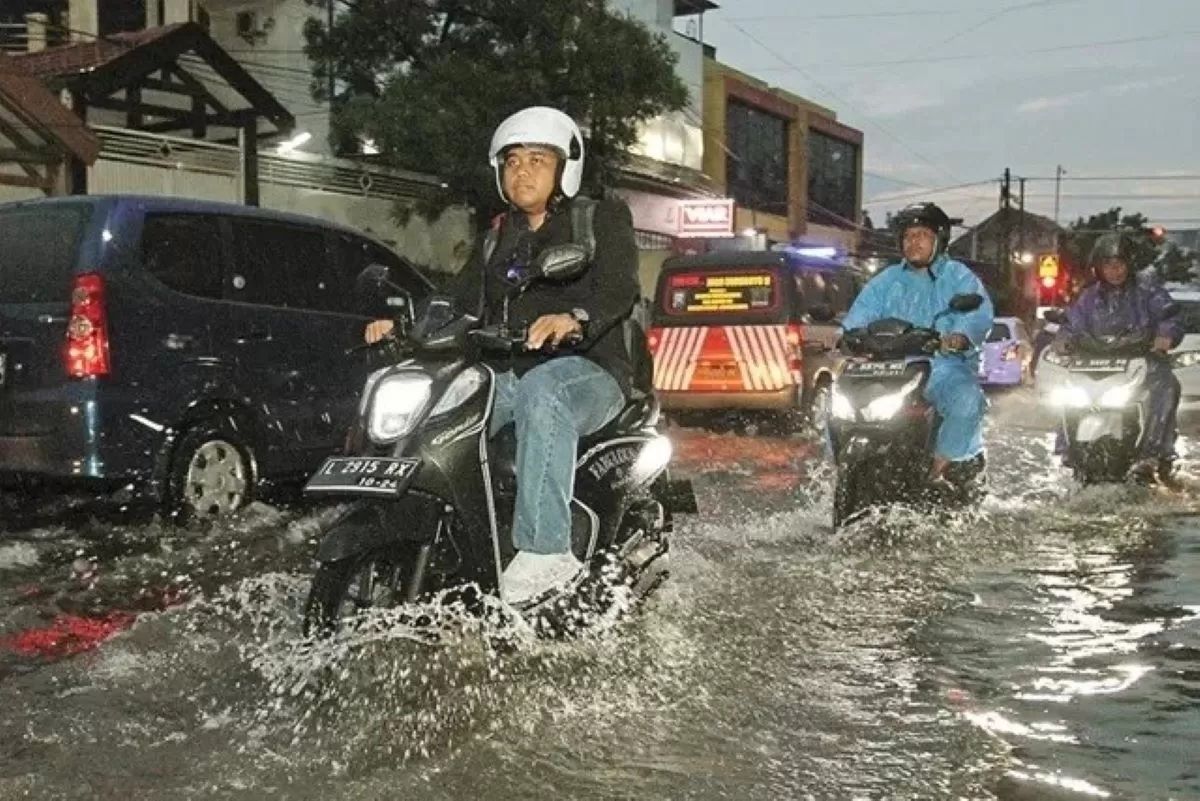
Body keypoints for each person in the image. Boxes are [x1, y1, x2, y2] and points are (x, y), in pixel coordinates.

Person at [364, 106, 641, 604]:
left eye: (537, 159)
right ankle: (440, 534)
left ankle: (546, 552)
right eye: (512, 161)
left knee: (544, 390)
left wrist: (574, 317)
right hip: (508, 373)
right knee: (441, 409)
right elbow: (457, 297)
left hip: (590, 372)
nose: (523, 170)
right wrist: (405, 326)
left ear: (563, 168)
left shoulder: (600, 217)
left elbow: (620, 288)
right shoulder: (497, 238)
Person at [840, 202, 995, 486]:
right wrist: (849, 336)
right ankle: (836, 467)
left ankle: (940, 467)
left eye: (922, 235)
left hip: (940, 365)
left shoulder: (958, 276)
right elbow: (859, 315)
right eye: (908, 236)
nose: (914, 242)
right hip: (889, 366)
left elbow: (976, 312)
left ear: (939, 240)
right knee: (840, 399)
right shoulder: (885, 281)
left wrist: (959, 336)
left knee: (967, 398)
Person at [1053, 231, 1182, 481]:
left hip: (1143, 362)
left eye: (1120, 264)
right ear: (1098, 268)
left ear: (1129, 265)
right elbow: (1070, 323)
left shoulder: (1148, 292)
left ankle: (1152, 453)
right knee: (1066, 393)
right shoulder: (1087, 298)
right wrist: (1063, 340)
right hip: (1093, 365)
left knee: (1166, 385)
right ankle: (1067, 449)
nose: (1115, 271)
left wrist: (1165, 336)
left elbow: (1169, 316)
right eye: (1108, 265)